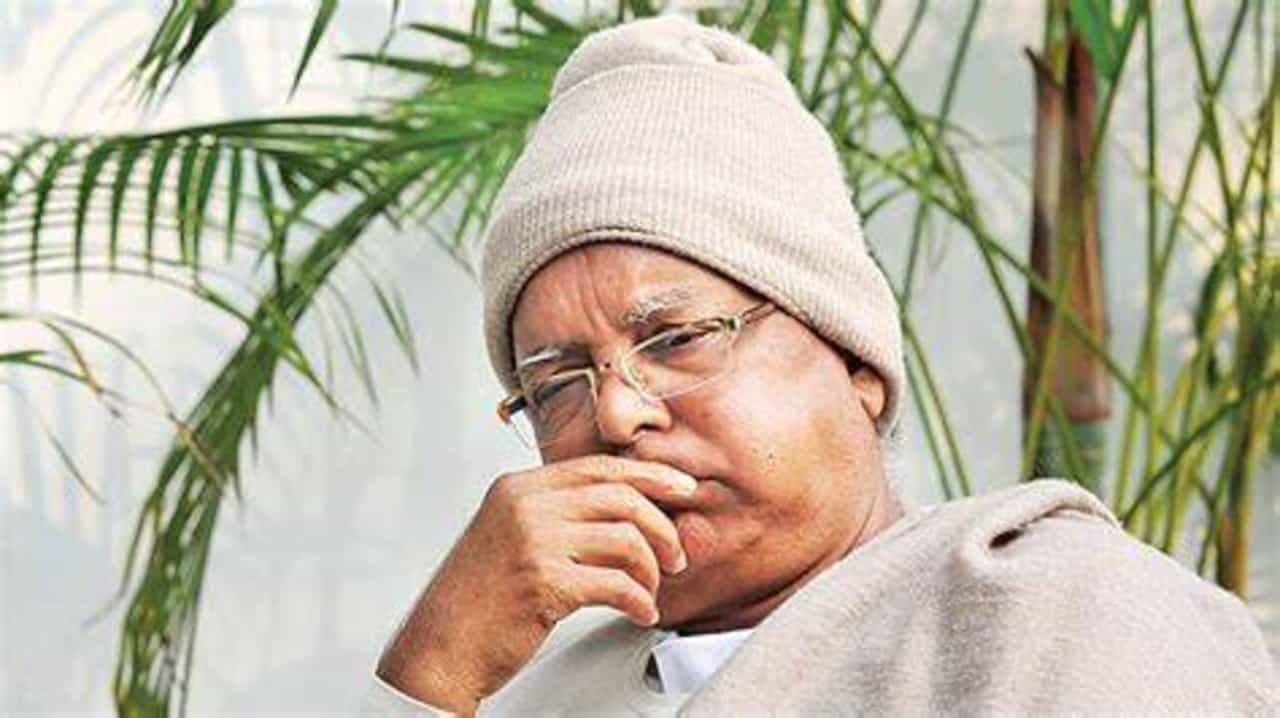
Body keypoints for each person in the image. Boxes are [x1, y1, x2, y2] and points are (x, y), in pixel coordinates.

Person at [363, 14, 1280, 716]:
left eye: (677, 339)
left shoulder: (1054, 616)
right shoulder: (533, 694)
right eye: (555, 384)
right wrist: (431, 672)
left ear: (856, 363)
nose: (615, 414)